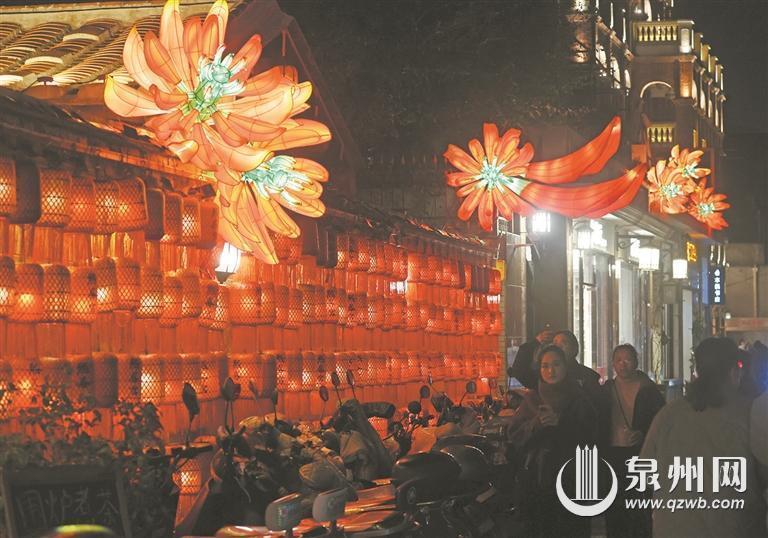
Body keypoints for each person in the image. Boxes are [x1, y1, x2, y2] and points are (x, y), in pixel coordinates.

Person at [641, 337, 767, 538]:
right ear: (734, 372)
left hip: (673, 528)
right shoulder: (751, 413)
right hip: (735, 527)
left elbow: (646, 472)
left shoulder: (668, 415)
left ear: (697, 371)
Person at [507, 344, 598, 538]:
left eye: (556, 364)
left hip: (573, 478)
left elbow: (591, 437)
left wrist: (561, 424)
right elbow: (515, 435)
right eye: (545, 366)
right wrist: (536, 424)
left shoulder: (579, 398)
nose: (551, 371)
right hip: (537, 480)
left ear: (566, 366)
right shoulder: (532, 399)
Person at [601, 344, 665, 538]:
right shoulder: (605, 390)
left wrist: (644, 434)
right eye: (618, 360)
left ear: (636, 362)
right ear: (613, 364)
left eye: (627, 359)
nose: (623, 364)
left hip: (640, 453)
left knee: (640, 504)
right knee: (615, 505)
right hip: (612, 453)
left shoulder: (649, 390)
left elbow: (660, 421)